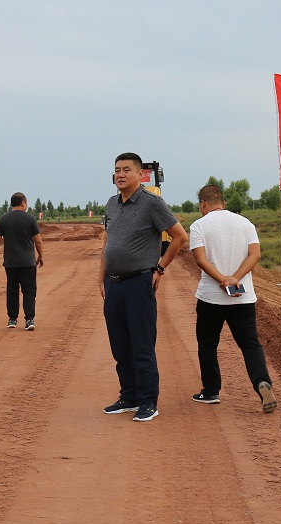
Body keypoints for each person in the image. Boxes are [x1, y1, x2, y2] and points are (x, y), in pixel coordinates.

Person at [99, 152, 188, 422]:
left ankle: (148, 401)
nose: (120, 174)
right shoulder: (112, 203)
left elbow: (179, 236)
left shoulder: (152, 203)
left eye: (126, 169)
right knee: (120, 345)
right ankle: (129, 396)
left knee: (141, 345)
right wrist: (101, 276)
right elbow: (108, 240)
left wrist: (160, 268)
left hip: (139, 282)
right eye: (117, 170)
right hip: (113, 284)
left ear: (140, 174)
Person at [188, 184, 277, 413]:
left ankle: (211, 391)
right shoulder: (245, 223)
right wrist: (236, 278)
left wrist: (223, 280)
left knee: (208, 344)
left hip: (211, 298)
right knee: (250, 343)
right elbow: (255, 254)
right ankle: (262, 382)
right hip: (243, 297)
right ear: (224, 202)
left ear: (203, 204)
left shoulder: (198, 226)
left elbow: (200, 260)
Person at [0, 192, 44, 330]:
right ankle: (29, 319)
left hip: (11, 262)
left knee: (12, 290)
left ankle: (12, 319)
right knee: (29, 290)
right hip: (28, 262)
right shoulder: (30, 219)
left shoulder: (3, 219)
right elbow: (38, 240)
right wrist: (41, 256)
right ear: (23, 203)